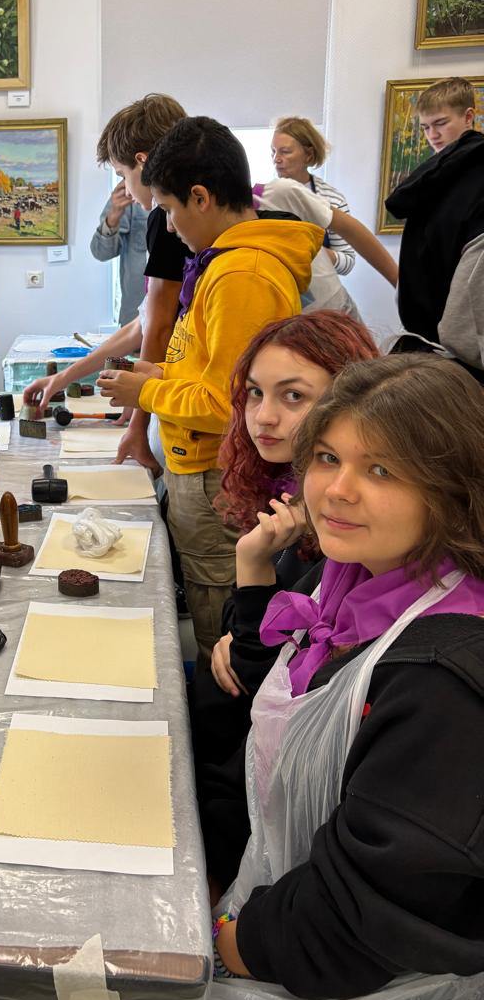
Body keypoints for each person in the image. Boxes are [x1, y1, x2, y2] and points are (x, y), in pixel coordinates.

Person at [205, 354, 484, 1000]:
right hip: (282, 909)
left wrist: (227, 937)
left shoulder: (445, 682)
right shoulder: (347, 579)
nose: (337, 490)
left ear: (454, 488)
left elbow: (359, 921)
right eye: (328, 458)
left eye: (382, 470)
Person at [98, 117, 322, 664]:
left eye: (169, 210)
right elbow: (212, 372)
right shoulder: (227, 264)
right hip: (202, 466)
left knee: (217, 616)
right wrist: (159, 376)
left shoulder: (241, 275)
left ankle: (217, 706)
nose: (169, 226)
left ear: (200, 197)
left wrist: (146, 394)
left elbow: (229, 407)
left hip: (213, 472)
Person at [190, 311, 379, 774]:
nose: (264, 416)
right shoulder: (285, 488)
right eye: (255, 392)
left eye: (293, 396)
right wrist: (237, 631)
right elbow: (251, 630)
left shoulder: (347, 525)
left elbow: (261, 679)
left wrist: (251, 570)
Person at [25, 94, 188, 471]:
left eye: (122, 174)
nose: (125, 188)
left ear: (143, 162)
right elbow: (144, 323)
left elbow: (159, 327)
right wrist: (65, 377)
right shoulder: (166, 215)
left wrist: (138, 422)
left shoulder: (164, 220)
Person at [385, 77, 484, 375]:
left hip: (460, 343)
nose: (433, 135)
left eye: (441, 123)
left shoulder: (474, 170)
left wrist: (459, 340)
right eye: (426, 127)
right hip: (433, 334)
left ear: (468, 116)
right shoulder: (436, 178)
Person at [253, 178, 399, 316]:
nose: (278, 161)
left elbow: (350, 233)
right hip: (286, 323)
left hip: (335, 310)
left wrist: (400, 284)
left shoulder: (279, 193)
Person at [271, 116, 356, 274]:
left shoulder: (332, 199)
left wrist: (314, 252)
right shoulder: (264, 196)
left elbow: (348, 263)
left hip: (319, 288)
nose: (276, 159)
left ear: (308, 155)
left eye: (285, 152)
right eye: (273, 151)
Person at [88, 179, 149, 325]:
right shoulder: (130, 190)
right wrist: (113, 217)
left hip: (184, 317)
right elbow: (100, 252)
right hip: (135, 319)